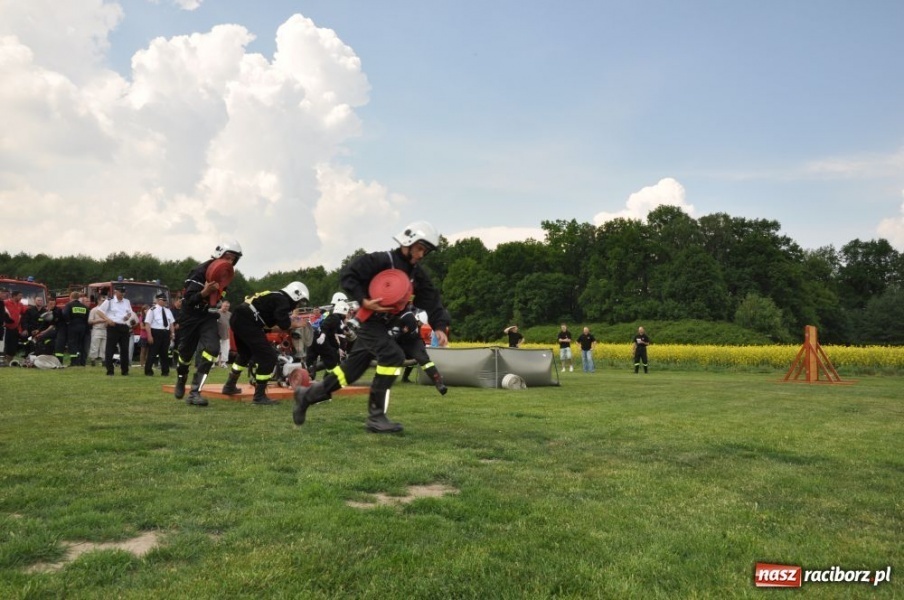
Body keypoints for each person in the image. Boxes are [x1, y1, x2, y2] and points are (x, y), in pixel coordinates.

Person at [293, 221, 451, 433]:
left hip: (387, 325)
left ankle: (307, 396)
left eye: (426, 251)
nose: (422, 255)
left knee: (349, 373)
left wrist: (440, 326)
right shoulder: (381, 260)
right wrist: (363, 299)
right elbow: (348, 274)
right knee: (393, 355)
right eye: (420, 248)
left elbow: (432, 300)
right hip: (370, 322)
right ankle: (376, 417)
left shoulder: (416, 275)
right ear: (408, 242)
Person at [174, 240, 243, 406]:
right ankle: (181, 379)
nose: (230, 261)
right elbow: (188, 300)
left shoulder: (225, 274)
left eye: (233, 259)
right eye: (228, 257)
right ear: (219, 254)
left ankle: (195, 392)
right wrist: (204, 292)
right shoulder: (199, 271)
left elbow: (219, 296)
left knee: (213, 350)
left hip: (207, 316)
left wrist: (213, 300)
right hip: (190, 316)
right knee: (185, 355)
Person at [221, 282, 309, 405]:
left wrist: (290, 324)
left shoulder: (275, 297)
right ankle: (259, 396)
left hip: (240, 317)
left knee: (245, 354)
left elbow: (268, 327)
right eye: (299, 302)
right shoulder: (283, 300)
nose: (298, 305)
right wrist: (296, 324)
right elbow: (284, 325)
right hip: (247, 320)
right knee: (268, 357)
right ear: (295, 295)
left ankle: (229, 385)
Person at [305, 298, 350, 381]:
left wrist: (344, 332)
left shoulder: (334, 319)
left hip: (314, 337)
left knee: (311, 360)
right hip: (320, 338)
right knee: (332, 359)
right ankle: (327, 379)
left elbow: (335, 331)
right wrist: (322, 335)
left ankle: (306, 375)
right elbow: (325, 325)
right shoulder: (335, 317)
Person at [96, 284, 135, 376]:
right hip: (113, 326)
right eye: (121, 292)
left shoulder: (127, 301)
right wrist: (107, 320)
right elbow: (99, 311)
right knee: (110, 349)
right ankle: (110, 370)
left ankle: (125, 371)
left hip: (124, 326)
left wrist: (128, 316)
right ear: (116, 292)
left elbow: (130, 312)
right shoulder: (109, 301)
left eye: (124, 293)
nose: (122, 294)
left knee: (125, 349)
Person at [144, 293, 175, 376]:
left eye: (165, 300)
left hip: (165, 333)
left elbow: (171, 323)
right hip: (156, 332)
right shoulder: (152, 310)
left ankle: (165, 371)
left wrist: (172, 333)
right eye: (163, 300)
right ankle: (148, 371)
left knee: (164, 353)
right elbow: (147, 324)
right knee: (152, 353)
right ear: (158, 300)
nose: (165, 302)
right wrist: (149, 335)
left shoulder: (168, 310)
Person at [61, 291, 89, 366]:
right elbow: (87, 317)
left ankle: (74, 362)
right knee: (80, 344)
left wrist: (68, 321)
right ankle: (80, 361)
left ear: (71, 297)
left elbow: (64, 314)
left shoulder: (69, 305)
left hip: (73, 326)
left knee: (72, 344)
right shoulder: (84, 306)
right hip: (82, 327)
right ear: (78, 297)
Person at [87, 293, 108, 366]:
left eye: (105, 301)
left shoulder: (107, 311)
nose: (104, 302)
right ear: (98, 301)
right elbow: (90, 321)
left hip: (105, 330)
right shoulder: (94, 310)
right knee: (95, 346)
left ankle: (104, 360)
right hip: (97, 329)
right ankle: (93, 360)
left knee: (104, 347)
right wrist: (100, 320)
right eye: (102, 300)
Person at [4, 290, 24, 363]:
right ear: (14, 296)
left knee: (13, 346)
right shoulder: (5, 303)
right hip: (5, 328)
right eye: (20, 296)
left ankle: (9, 362)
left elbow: (26, 312)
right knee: (4, 345)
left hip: (15, 328)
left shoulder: (20, 305)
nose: (21, 297)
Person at [217, 300, 232, 368]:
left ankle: (223, 362)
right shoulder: (217, 312)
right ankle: (213, 363)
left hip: (226, 334)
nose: (226, 308)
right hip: (217, 334)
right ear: (222, 306)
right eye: (225, 306)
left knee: (226, 349)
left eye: (227, 306)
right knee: (216, 349)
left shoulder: (229, 314)